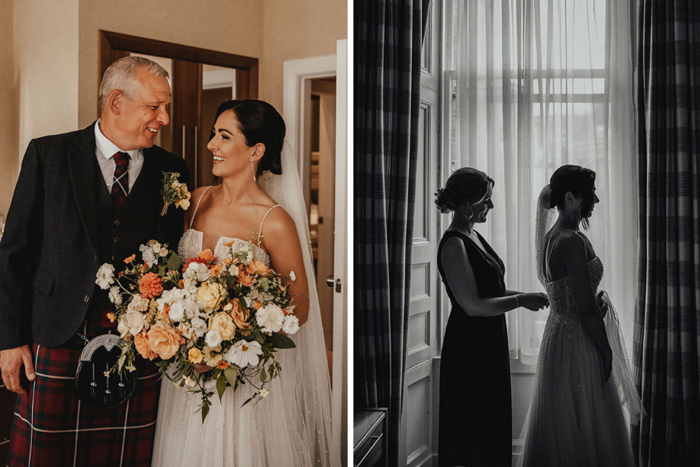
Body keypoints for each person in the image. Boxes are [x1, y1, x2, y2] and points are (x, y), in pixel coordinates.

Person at [0, 56, 189, 466]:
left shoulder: (172, 170)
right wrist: (10, 340)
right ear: (116, 102)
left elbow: (173, 258)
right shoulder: (49, 155)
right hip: (55, 334)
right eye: (155, 107)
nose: (164, 118)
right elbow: (15, 252)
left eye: (166, 107)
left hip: (135, 346)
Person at [151, 99, 339, 466]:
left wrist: (224, 349)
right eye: (212, 135)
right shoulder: (198, 199)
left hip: (238, 379)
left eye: (223, 136)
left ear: (256, 150)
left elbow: (298, 307)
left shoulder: (274, 221)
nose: (211, 146)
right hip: (183, 371)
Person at [519, 165, 640, 466]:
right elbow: (584, 308)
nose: (595, 200)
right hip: (577, 339)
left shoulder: (553, 235)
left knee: (567, 418)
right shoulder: (570, 240)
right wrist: (606, 350)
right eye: (591, 194)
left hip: (558, 333)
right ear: (571, 197)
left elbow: (571, 295)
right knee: (586, 421)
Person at [435, 167, 549, 467]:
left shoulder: (474, 236)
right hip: (469, 348)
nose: (491, 206)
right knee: (474, 428)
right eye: (486, 200)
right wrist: (521, 300)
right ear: (465, 206)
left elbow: (491, 290)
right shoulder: (453, 244)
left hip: (488, 341)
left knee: (490, 423)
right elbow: (473, 305)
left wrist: (525, 295)